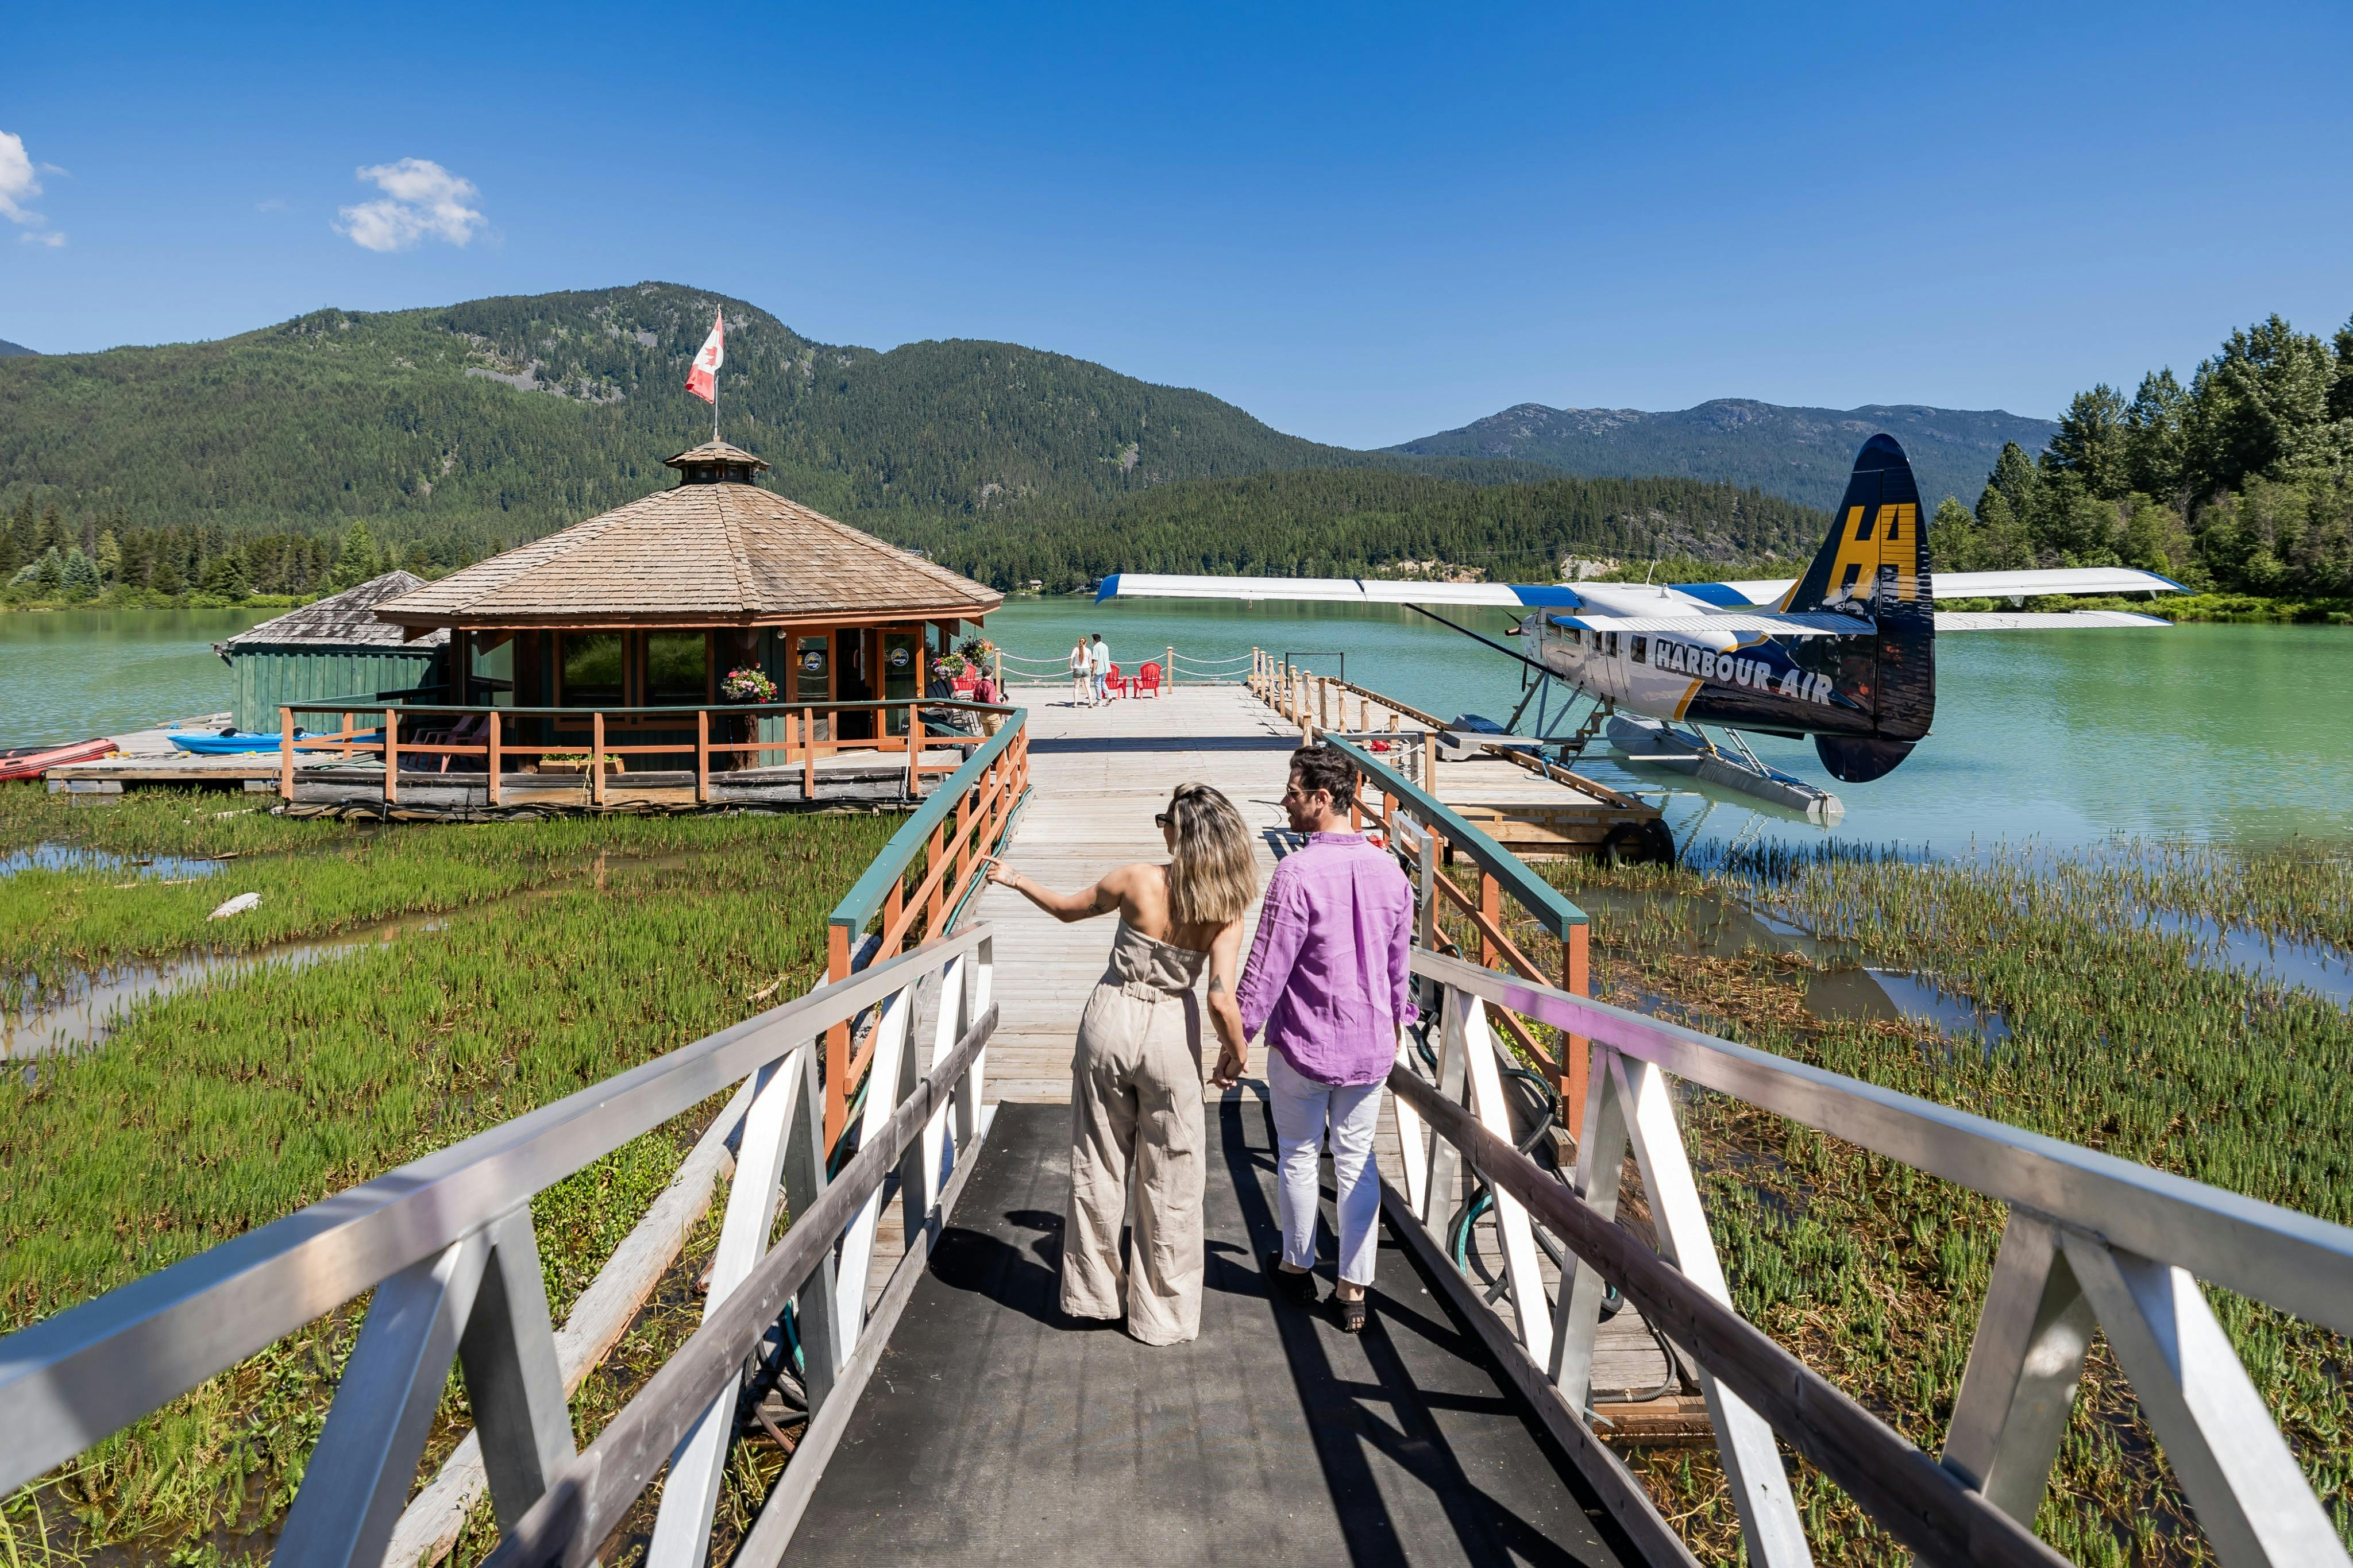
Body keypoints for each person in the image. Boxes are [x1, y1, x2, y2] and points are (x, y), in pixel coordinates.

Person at [986, 785, 1256, 1345]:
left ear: (1176, 832)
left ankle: (1093, 1296)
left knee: (1099, 1161)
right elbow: (1221, 999)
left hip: (1109, 1019)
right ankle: (1161, 1317)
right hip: (1168, 1035)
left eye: (1164, 819)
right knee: (1173, 1174)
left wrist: (1016, 880)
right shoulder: (1226, 909)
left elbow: (1065, 912)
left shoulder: (1136, 879)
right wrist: (1237, 1052)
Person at [1217, 743, 1414, 1334]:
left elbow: (1266, 969)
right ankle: (1353, 1290)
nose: (1286, 802)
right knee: (1357, 1161)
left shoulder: (1296, 872)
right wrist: (1399, 1020)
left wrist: (1237, 1042)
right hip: (1371, 1045)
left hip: (1304, 1044)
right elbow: (1399, 964)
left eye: (1294, 792)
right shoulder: (1391, 870)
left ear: (1322, 800)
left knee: (1298, 1156)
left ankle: (1297, 1265)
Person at [1089, 632, 1112, 705]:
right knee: (1103, 682)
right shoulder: (1105, 646)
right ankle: (1109, 695)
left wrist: (1093, 671)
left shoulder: (1096, 647)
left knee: (1097, 684)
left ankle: (1099, 700)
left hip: (1099, 668)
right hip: (1105, 668)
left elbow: (1095, 660)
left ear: (1094, 640)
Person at [1069, 637, 1092, 706]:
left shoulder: (1076, 649)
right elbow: (1090, 663)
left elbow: (1071, 657)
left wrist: (1070, 666)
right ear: (1086, 643)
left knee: (1076, 687)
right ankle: (1090, 703)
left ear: (1079, 642)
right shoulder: (1089, 651)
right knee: (1088, 687)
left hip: (1077, 669)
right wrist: (1092, 669)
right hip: (1086, 669)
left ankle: (1075, 703)